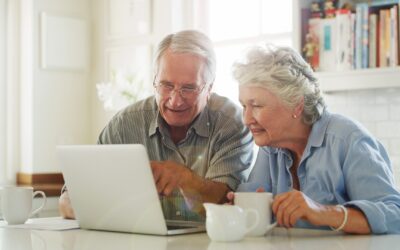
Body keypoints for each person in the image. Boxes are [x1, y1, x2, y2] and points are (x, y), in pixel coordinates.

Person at [59, 30, 254, 221]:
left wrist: (185, 179)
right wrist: (87, 209)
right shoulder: (124, 124)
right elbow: (69, 197)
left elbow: (224, 201)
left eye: (188, 88)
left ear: (209, 88)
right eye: (166, 85)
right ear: (154, 82)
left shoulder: (232, 124)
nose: (175, 101)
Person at [228, 45, 400, 234]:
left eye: (257, 105)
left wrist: (323, 212)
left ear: (296, 105)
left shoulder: (348, 140)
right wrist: (238, 208)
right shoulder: (271, 147)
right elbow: (253, 208)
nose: (247, 119)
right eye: (244, 106)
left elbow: (395, 215)